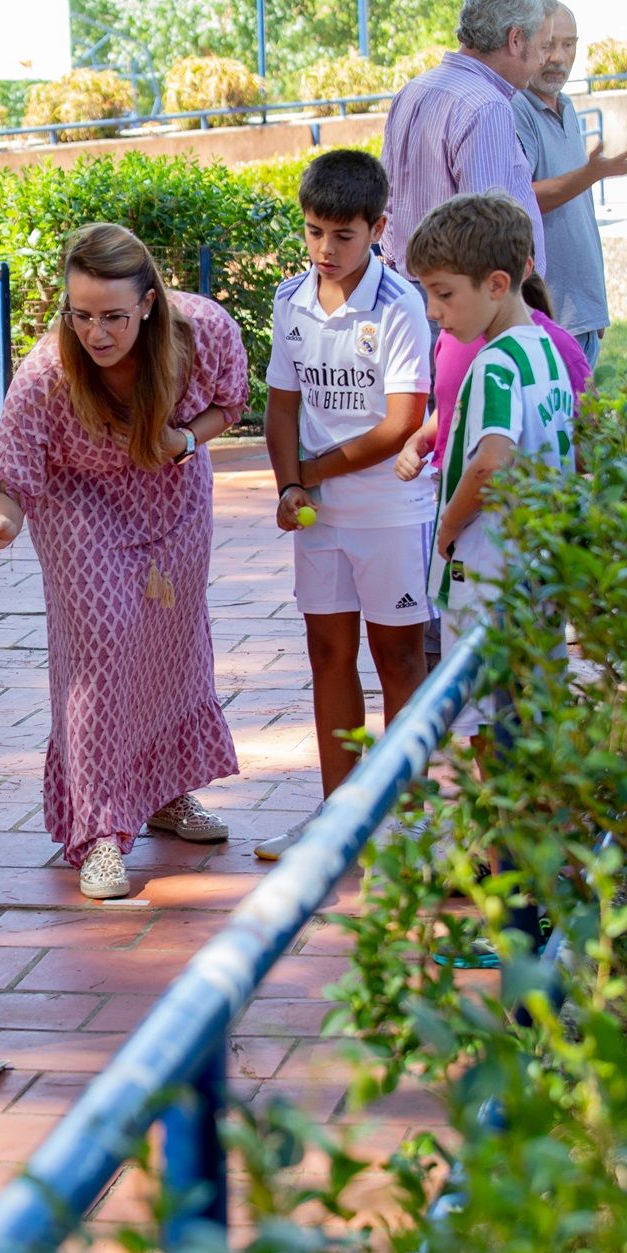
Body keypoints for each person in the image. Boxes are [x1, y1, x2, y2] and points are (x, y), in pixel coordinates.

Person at [0, 222, 248, 901]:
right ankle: (97, 834)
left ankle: (166, 795)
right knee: (99, 650)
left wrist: (184, 441)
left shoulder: (201, 332)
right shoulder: (46, 375)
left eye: (113, 316)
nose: (96, 333)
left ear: (148, 303)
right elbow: (11, 478)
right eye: (81, 314)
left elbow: (230, 405)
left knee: (170, 643)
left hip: (173, 493)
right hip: (78, 502)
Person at [265, 150, 433, 825]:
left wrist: (312, 473)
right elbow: (281, 407)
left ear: (378, 228)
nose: (325, 250)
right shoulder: (290, 299)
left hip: (392, 511)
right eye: (314, 232)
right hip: (321, 517)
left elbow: (402, 424)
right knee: (328, 654)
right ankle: (339, 817)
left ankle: (409, 821)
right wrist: (289, 486)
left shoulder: (400, 304)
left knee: (399, 658)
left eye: (343, 235)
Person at [408, 191, 575, 760]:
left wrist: (449, 526)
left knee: (495, 726)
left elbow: (491, 462)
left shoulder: (496, 363)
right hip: (536, 565)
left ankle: (504, 822)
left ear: (497, 284)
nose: (434, 311)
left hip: (490, 571)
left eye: (444, 293)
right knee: (533, 714)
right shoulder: (545, 348)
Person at [382, 0, 556, 278]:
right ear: (515, 39)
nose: (544, 59)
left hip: (415, 286)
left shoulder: (414, 89)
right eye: (543, 46)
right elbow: (486, 240)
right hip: (467, 296)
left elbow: (386, 201)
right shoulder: (487, 105)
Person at [513, 1, 627, 369]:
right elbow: (521, 200)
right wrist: (592, 173)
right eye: (548, 44)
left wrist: (594, 302)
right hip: (549, 317)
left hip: (582, 314)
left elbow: (579, 215)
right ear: (526, 43)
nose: (558, 57)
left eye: (569, 44)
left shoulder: (567, 106)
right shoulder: (516, 108)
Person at [395, 262, 591, 487]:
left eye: (445, 293)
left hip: (515, 496)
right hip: (450, 479)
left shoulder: (554, 345)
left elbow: (590, 441)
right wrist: (419, 440)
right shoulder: (452, 334)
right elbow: (454, 407)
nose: (431, 311)